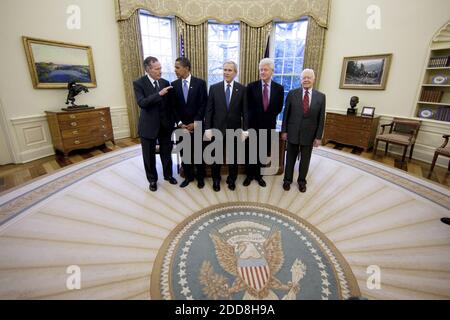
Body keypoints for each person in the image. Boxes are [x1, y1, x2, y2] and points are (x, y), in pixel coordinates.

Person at [133, 56, 178, 192]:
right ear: (148, 69)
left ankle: (168, 175)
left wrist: (175, 122)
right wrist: (159, 94)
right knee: (149, 156)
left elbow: (171, 105)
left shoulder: (165, 82)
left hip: (166, 126)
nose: (160, 71)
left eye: (160, 68)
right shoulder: (139, 83)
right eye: (157, 69)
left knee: (166, 153)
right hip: (148, 127)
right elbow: (142, 103)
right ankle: (152, 180)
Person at [204, 61, 248, 192]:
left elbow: (245, 111)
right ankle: (216, 180)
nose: (226, 72)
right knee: (216, 157)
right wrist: (208, 128)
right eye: (224, 70)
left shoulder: (242, 89)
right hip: (217, 129)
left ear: (235, 73)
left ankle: (231, 179)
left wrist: (245, 130)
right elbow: (209, 110)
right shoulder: (214, 88)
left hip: (235, 130)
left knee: (233, 158)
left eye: (229, 70)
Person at [281, 68, 325, 193]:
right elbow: (286, 114)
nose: (306, 80)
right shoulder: (292, 93)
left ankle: (301, 181)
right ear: (300, 80)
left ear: (313, 79)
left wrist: (318, 137)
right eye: (304, 78)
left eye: (308, 77)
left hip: (309, 134)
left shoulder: (321, 97)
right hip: (292, 132)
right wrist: (284, 130)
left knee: (305, 160)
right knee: (290, 158)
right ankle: (287, 180)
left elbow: (321, 118)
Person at [244, 58, 284, 187]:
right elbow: (247, 107)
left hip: (268, 126)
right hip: (253, 126)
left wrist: (268, 118)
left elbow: (278, 107)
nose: (262, 72)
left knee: (262, 152)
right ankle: (249, 175)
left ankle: (259, 176)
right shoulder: (251, 86)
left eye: (265, 69)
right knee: (251, 152)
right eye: (261, 69)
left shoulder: (279, 88)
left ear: (271, 71)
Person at [171, 57, 208, 189]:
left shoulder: (200, 83)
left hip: (197, 125)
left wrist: (196, 122)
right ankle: (188, 177)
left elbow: (204, 104)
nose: (175, 70)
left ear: (186, 68)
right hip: (182, 127)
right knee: (185, 154)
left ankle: (200, 178)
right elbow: (173, 107)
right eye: (175, 67)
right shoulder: (174, 85)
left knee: (199, 153)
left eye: (177, 67)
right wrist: (180, 123)